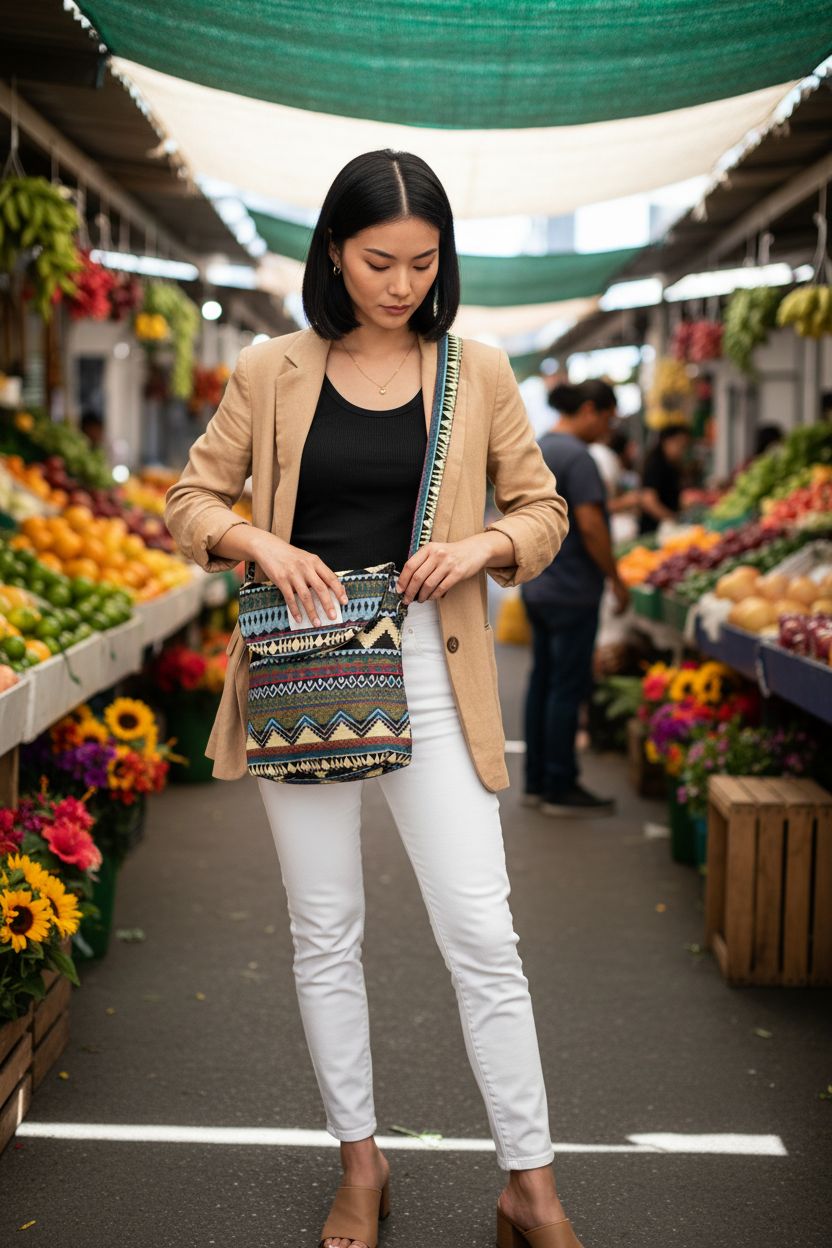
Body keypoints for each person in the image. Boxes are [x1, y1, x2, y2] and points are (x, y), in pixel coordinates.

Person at [164, 150, 587, 1248]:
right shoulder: (273, 369)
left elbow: (543, 512)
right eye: (377, 261)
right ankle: (361, 1164)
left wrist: (484, 542)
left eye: (422, 263)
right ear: (334, 255)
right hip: (302, 668)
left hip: (435, 674)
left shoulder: (476, 371)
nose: (400, 284)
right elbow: (189, 497)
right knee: (324, 929)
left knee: (482, 935)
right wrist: (254, 537)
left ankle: (530, 1185)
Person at [521, 379, 629, 816]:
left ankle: (536, 781)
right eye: (606, 419)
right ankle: (560, 784)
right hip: (572, 592)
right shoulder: (579, 458)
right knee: (567, 688)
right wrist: (616, 579)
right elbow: (590, 524)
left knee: (542, 682)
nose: (607, 429)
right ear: (589, 409)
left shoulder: (540, 447)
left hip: (539, 586)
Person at [638, 422, 692, 534]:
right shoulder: (656, 465)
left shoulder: (671, 465)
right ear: (666, 441)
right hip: (654, 531)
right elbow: (648, 501)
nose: (682, 451)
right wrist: (672, 519)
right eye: (679, 445)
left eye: (684, 447)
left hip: (664, 529)